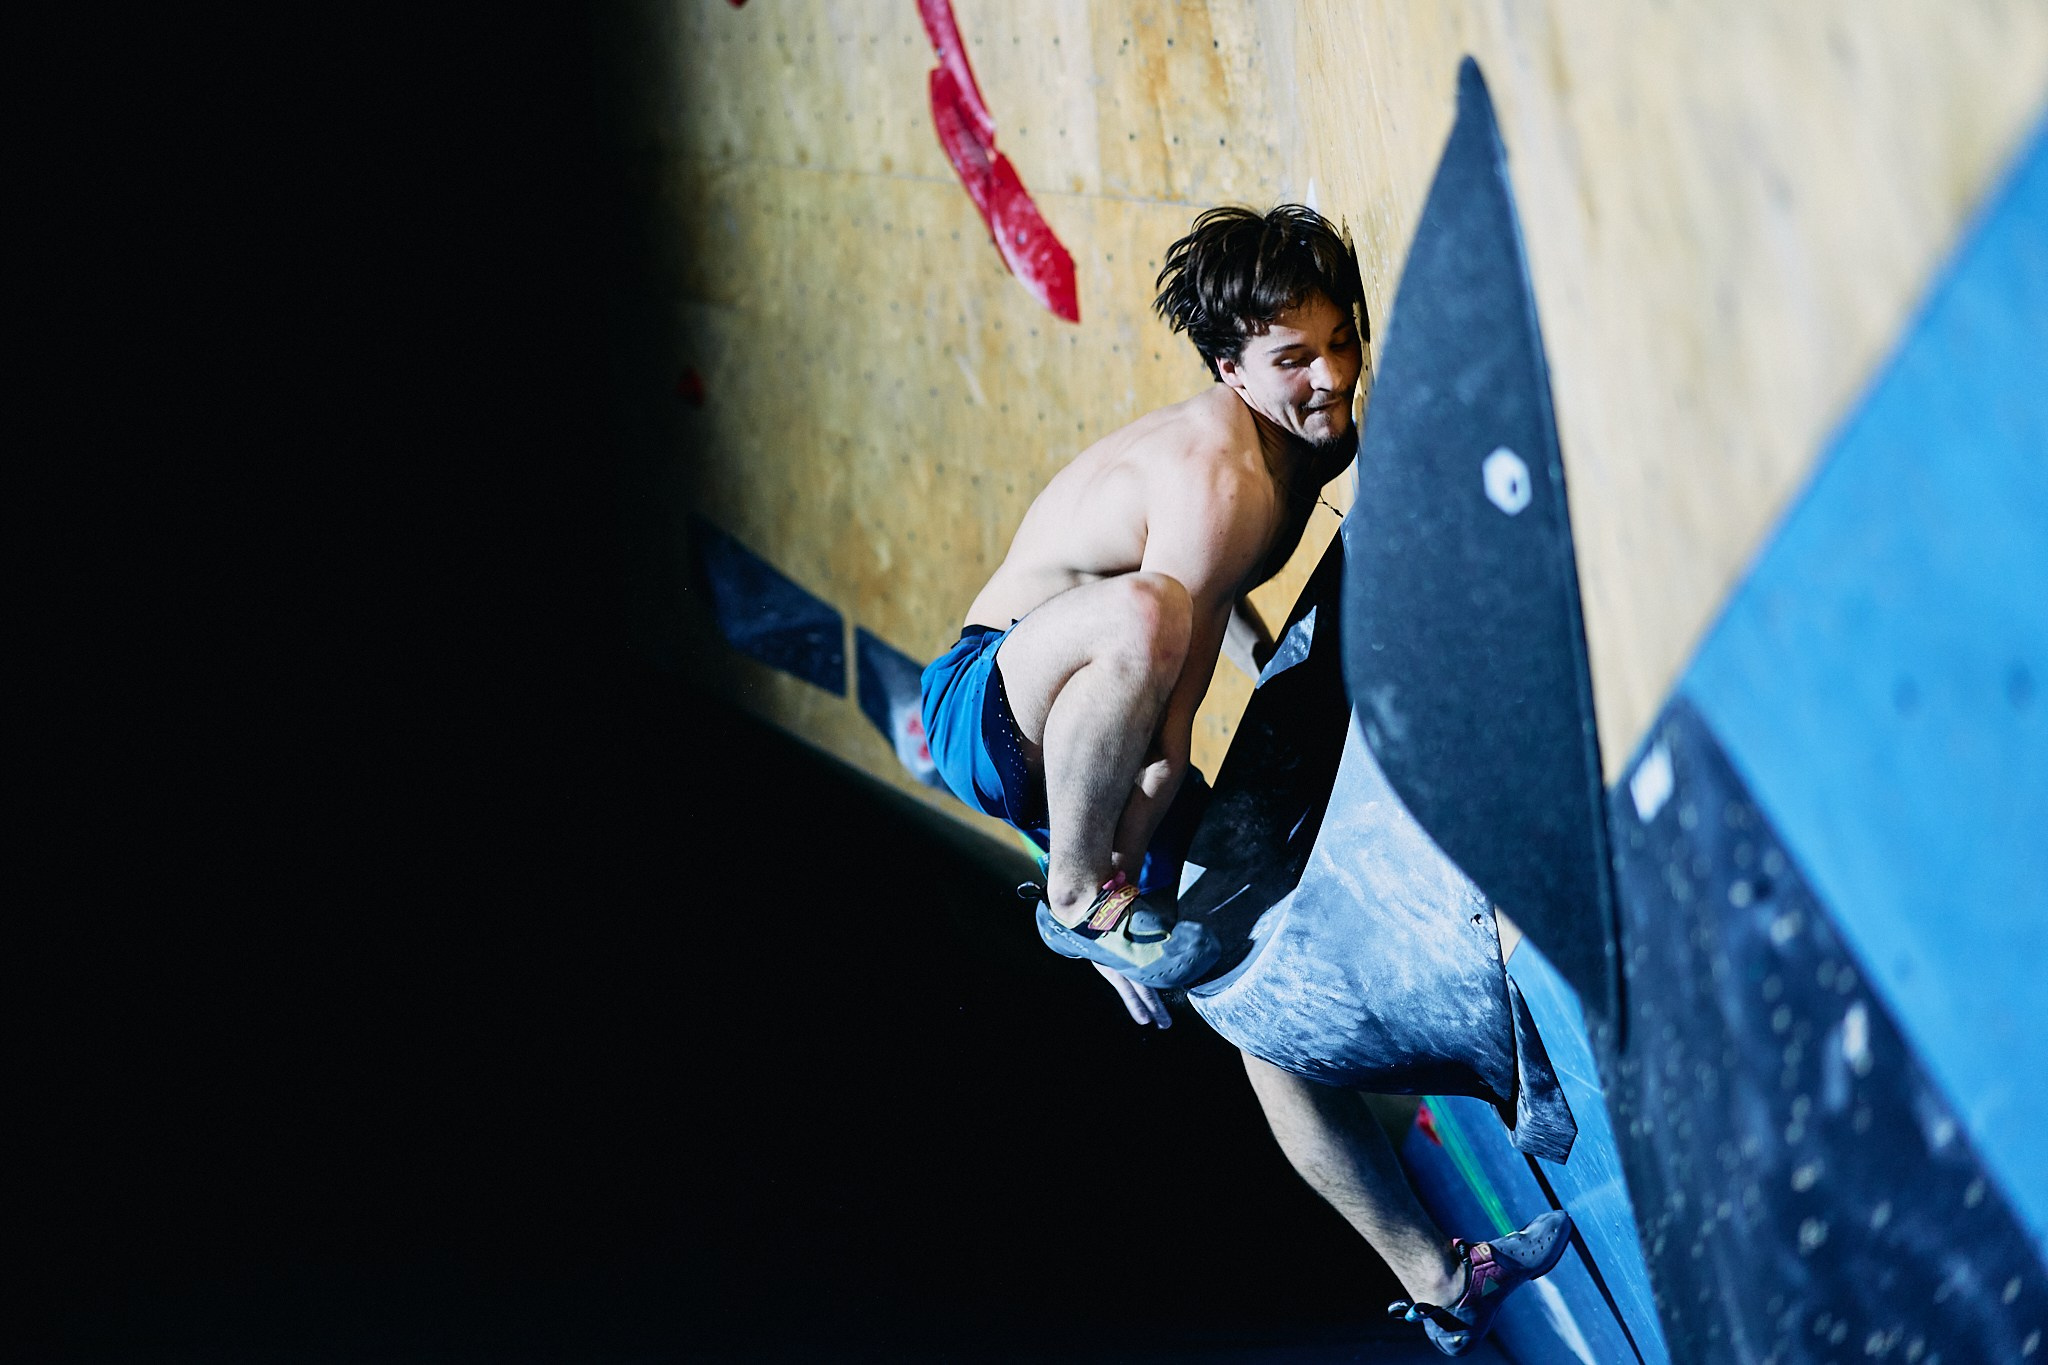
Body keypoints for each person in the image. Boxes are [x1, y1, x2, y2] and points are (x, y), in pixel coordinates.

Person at [920, 205, 1571, 1356]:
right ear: (1227, 368)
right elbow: (1161, 705)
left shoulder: (1289, 436)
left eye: (1340, 339)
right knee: (1137, 618)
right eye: (1292, 360)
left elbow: (1212, 603)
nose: (1331, 377)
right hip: (996, 708)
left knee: (1254, 1001)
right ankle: (1073, 902)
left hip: (1088, 747)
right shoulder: (1214, 472)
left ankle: (1437, 1280)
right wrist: (1108, 870)